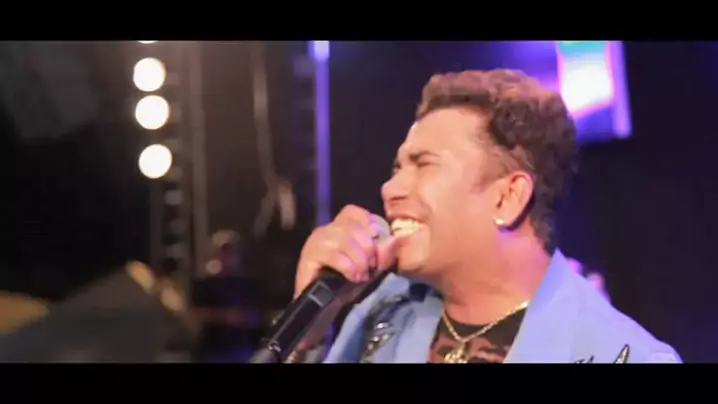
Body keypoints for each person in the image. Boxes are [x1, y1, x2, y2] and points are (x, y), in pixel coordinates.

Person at [289, 69, 681, 363]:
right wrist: (306, 330)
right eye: (397, 168)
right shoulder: (381, 309)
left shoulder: (620, 353)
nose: (390, 189)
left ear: (507, 197)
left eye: (423, 165)